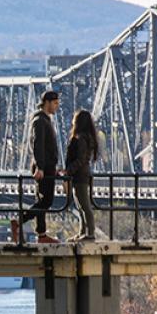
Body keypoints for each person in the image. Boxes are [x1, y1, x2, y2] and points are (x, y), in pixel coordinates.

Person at [12, 90, 62, 244]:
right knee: (46, 201)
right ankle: (19, 222)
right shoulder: (40, 121)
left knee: (41, 200)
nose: (57, 107)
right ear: (46, 102)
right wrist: (40, 167)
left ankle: (41, 235)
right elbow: (37, 144)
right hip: (44, 167)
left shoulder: (44, 120)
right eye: (55, 103)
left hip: (47, 166)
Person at [64, 109, 100, 241]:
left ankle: (90, 234)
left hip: (80, 175)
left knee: (85, 205)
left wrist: (69, 171)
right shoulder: (84, 137)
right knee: (79, 205)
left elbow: (81, 159)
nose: (72, 120)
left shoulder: (81, 139)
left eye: (75, 118)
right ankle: (82, 232)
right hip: (79, 175)